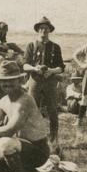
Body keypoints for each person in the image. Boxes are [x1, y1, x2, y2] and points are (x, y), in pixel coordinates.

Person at [22, 16, 65, 145]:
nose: (43, 31)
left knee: (52, 110)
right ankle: (29, 138)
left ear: (49, 30)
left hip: (50, 81)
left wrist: (51, 71)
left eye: (46, 29)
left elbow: (61, 67)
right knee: (30, 108)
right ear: (38, 30)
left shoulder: (55, 47)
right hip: (34, 80)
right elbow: (24, 65)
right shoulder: (31, 45)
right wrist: (35, 69)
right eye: (41, 28)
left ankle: (53, 139)